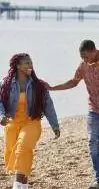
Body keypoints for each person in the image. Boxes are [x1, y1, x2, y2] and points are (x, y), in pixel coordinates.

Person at [43, 40, 99, 189]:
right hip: (94, 110)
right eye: (82, 57)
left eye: (86, 57)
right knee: (93, 142)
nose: (84, 60)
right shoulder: (83, 65)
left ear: (93, 51)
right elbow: (73, 82)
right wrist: (52, 88)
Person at [0, 53, 60, 189]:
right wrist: (2, 117)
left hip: (31, 123)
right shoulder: (5, 83)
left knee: (22, 149)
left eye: (31, 62)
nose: (30, 65)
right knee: (15, 153)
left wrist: (55, 126)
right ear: (18, 65)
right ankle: (23, 186)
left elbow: (48, 105)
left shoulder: (38, 85)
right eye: (26, 63)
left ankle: (16, 186)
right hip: (12, 124)